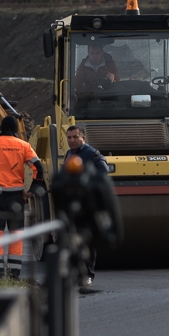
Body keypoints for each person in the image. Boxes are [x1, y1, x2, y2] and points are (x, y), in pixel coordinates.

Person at [0, 115, 43, 280]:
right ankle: (14, 273)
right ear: (15, 129)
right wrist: (31, 190)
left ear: (1, 128)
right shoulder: (23, 145)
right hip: (16, 197)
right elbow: (38, 168)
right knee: (16, 234)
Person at [64, 125, 109, 293]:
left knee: (87, 242)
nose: (72, 140)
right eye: (69, 137)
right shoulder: (70, 155)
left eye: (76, 137)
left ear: (83, 138)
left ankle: (88, 275)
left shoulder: (92, 155)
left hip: (87, 206)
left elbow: (103, 174)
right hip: (72, 206)